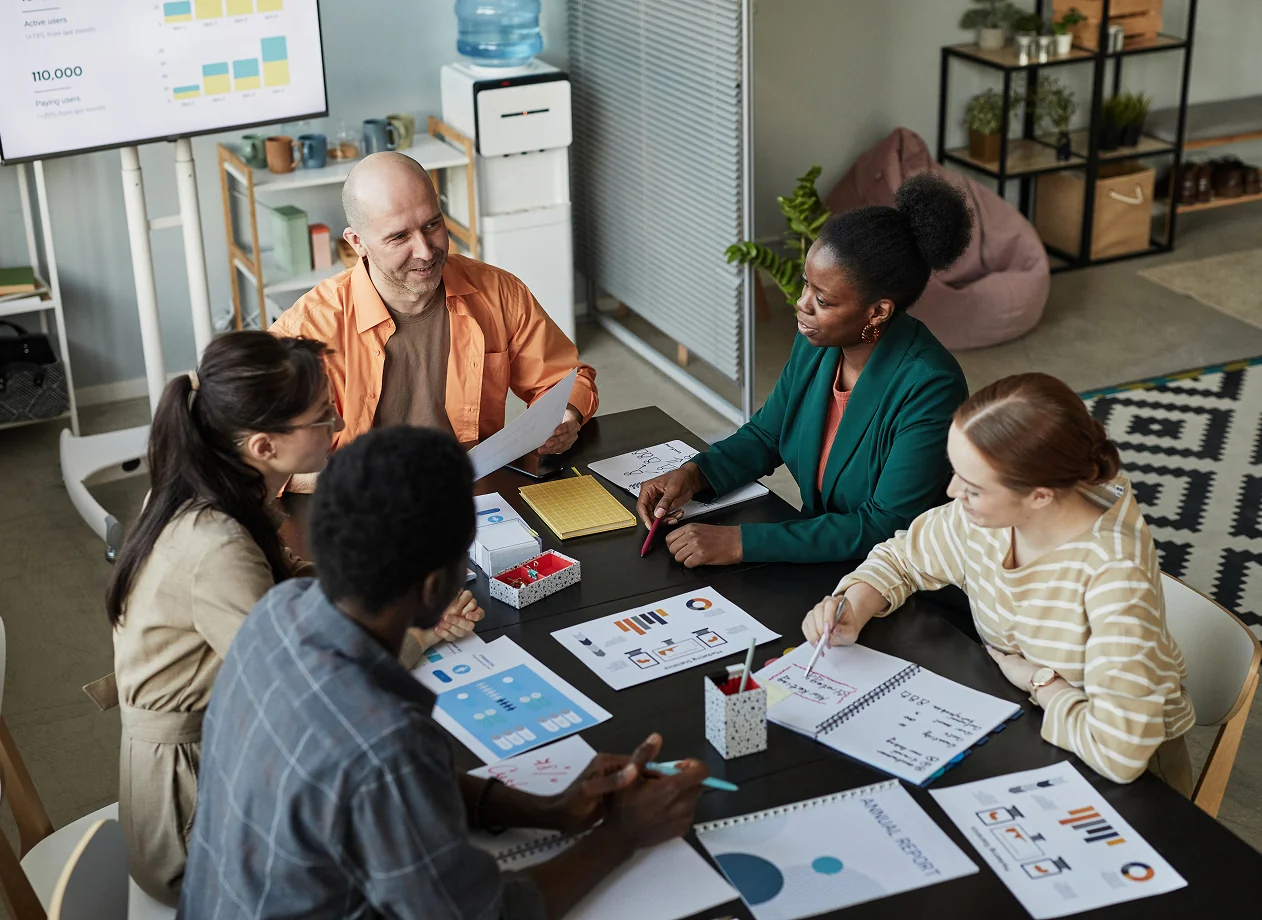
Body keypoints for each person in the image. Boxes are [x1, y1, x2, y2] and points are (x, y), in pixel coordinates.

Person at [179, 426, 708, 918]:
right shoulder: (388, 740)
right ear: (438, 586)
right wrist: (622, 834)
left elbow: (388, 791)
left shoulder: (279, 610)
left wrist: (551, 810)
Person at [101, 332, 482, 905]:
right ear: (263, 446)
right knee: (405, 846)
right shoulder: (216, 546)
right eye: (322, 416)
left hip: (218, 750)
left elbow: (289, 583)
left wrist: (386, 596)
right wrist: (416, 631)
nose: (337, 423)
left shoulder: (215, 488)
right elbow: (304, 687)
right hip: (192, 821)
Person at [802, 373, 1196, 791]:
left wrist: (1039, 682)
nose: (953, 492)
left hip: (1132, 780)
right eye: (955, 473)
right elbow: (904, 556)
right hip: (1024, 722)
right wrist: (854, 605)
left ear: (1040, 495)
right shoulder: (990, 514)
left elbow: (1120, 753)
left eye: (972, 488)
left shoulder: (1113, 576)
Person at [636, 173, 973, 567]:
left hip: (899, 578)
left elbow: (885, 526)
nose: (801, 304)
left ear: (878, 311)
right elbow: (767, 434)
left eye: (823, 300)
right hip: (822, 556)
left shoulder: (930, 386)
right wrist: (694, 475)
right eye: (805, 285)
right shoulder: (819, 345)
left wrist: (742, 543)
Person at [270, 151, 597, 491]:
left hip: (470, 495)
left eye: (432, 225)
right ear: (357, 243)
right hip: (358, 510)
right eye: (398, 237)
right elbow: (248, 453)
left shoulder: (498, 292)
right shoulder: (307, 329)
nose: (426, 251)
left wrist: (566, 415)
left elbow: (565, 379)